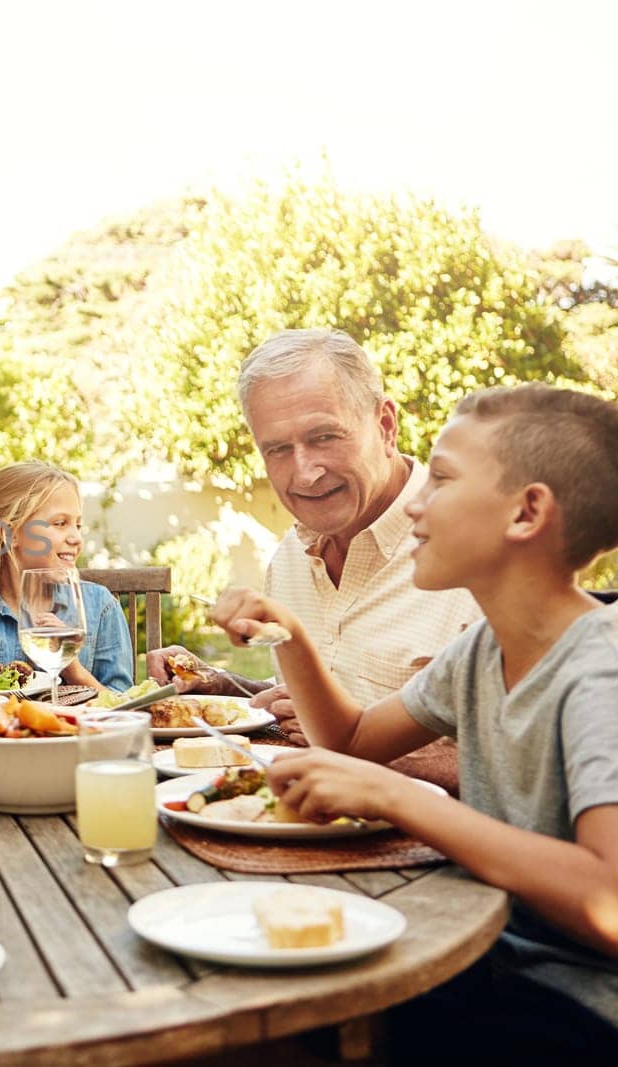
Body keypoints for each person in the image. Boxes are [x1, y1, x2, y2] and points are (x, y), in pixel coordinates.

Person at [213, 384, 618, 1057]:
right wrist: (290, 635)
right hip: (486, 957)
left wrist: (402, 797)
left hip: (581, 1006)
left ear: (527, 512)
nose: (418, 503)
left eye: (442, 478)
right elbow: (350, 741)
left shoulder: (599, 669)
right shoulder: (482, 650)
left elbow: (609, 897)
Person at [148, 329, 479, 789]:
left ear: (385, 425)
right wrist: (220, 684)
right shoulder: (289, 556)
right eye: (278, 449)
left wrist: (350, 747)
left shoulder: (479, 551)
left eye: (325, 437)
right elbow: (298, 706)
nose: (304, 471)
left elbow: (533, 771)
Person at [0, 462, 134, 692]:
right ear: (8, 534)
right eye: (60, 523)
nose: (76, 538)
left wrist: (71, 668)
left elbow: (124, 706)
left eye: (78, 525)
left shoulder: (100, 606)